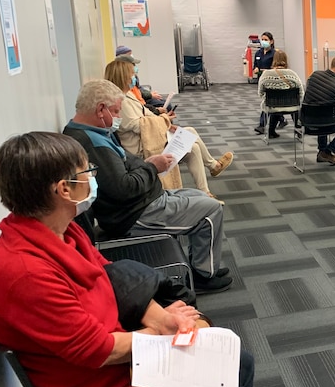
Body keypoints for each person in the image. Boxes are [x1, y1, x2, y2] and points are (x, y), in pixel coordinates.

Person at [0, 131, 257, 387]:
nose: (92, 179)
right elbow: (99, 351)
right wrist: (165, 331)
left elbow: (113, 278)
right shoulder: (26, 274)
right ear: (64, 190)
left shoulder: (62, 230)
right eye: (87, 172)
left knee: (237, 362)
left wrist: (161, 318)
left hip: (122, 361)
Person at [63, 80, 233, 294]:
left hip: (142, 202)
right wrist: (151, 167)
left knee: (198, 196)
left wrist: (146, 166)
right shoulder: (92, 143)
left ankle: (201, 267)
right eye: (116, 111)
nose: (118, 117)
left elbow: (127, 165)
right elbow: (124, 188)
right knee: (211, 208)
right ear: (100, 110)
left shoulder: (92, 133)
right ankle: (202, 276)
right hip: (134, 213)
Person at [104, 60, 234, 202]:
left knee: (189, 133)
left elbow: (146, 113)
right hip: (142, 146)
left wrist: (166, 122)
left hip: (148, 137)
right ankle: (209, 179)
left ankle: (211, 174)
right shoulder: (121, 101)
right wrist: (164, 121)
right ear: (123, 76)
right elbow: (138, 125)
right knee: (193, 146)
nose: (134, 77)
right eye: (132, 74)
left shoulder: (128, 95)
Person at [302, 55, 335, 165]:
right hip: (328, 124)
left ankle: (322, 150)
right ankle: (328, 151)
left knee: (321, 112)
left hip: (307, 122)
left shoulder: (314, 75)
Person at [258, 48, 304, 138]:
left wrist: (268, 99)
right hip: (292, 106)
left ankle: (271, 132)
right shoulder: (292, 74)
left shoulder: (266, 74)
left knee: (276, 104)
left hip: (272, 106)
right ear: (286, 60)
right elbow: (301, 92)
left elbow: (260, 92)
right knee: (292, 104)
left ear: (274, 60)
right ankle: (298, 129)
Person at [116, 46, 167, 111]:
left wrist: (150, 94)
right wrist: (155, 109)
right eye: (129, 54)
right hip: (140, 105)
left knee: (164, 105)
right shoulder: (125, 84)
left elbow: (138, 89)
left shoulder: (130, 81)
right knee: (164, 107)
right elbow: (138, 107)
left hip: (141, 102)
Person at [253, 32, 276, 134]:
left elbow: (275, 67)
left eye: (266, 39)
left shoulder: (275, 54)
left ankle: (262, 125)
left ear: (271, 41)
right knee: (270, 103)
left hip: (271, 80)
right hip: (261, 80)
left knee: (268, 101)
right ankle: (280, 119)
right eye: (262, 39)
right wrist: (256, 68)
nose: (264, 41)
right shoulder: (258, 53)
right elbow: (255, 66)